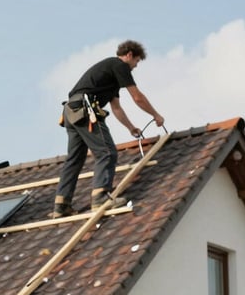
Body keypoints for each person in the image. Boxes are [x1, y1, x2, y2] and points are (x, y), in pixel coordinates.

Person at [50, 40, 164, 218]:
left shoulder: (108, 74)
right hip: (85, 109)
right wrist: (156, 115)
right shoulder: (119, 65)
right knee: (107, 152)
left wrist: (131, 127)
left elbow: (116, 107)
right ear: (129, 55)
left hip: (71, 112)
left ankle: (61, 205)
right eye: (137, 61)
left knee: (74, 159)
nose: (135, 67)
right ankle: (100, 197)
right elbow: (137, 96)